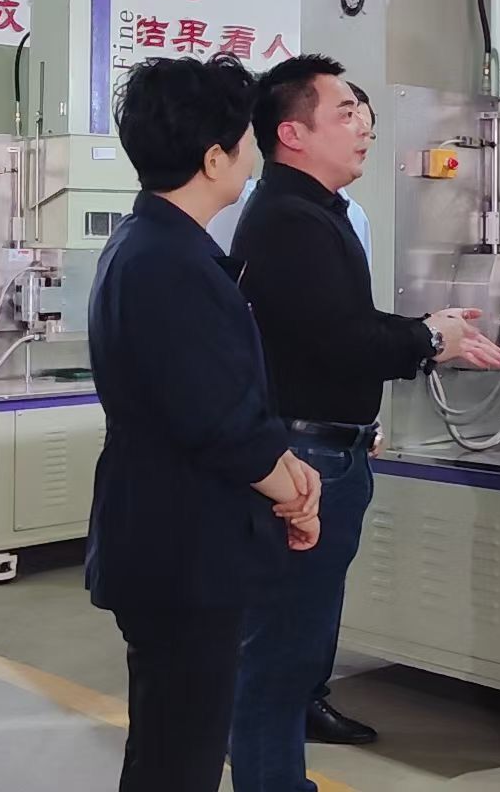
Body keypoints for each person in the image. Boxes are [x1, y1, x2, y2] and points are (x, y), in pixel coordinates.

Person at [227, 54, 500, 792]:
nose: (364, 128)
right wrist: (429, 338)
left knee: (294, 642)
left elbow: (335, 325)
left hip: (328, 446)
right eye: (345, 113)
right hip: (307, 457)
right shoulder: (291, 220)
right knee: (280, 651)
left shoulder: (317, 213)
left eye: (364, 114)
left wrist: (424, 330)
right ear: (292, 132)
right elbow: (342, 340)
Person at [85, 53, 323, 792]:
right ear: (215, 158)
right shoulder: (170, 263)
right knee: (180, 759)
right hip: (181, 547)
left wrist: (286, 469)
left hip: (165, 534)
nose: (253, 152)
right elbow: (216, 420)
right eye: (244, 138)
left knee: (168, 744)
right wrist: (293, 488)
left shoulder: (154, 244)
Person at [209, 81, 372, 262]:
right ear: (291, 134)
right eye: (347, 116)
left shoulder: (353, 214)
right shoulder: (258, 204)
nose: (364, 133)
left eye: (368, 126)